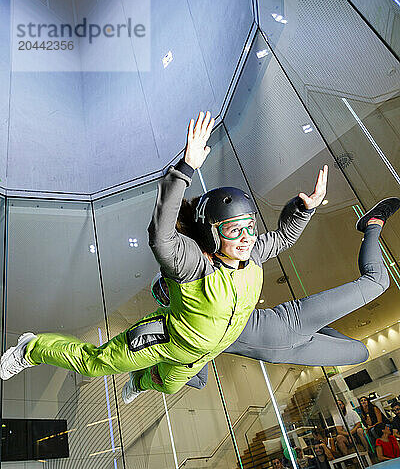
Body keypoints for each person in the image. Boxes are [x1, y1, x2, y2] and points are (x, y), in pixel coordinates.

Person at [1, 111, 399, 402]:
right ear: (213, 234)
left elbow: (282, 238)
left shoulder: (251, 254)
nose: (245, 238)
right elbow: (160, 237)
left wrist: (304, 208)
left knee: (171, 383)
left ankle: (144, 383)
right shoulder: (194, 267)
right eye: (233, 230)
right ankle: (30, 349)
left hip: (205, 354)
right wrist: (186, 168)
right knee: (97, 364)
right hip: (171, 347)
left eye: (248, 227)